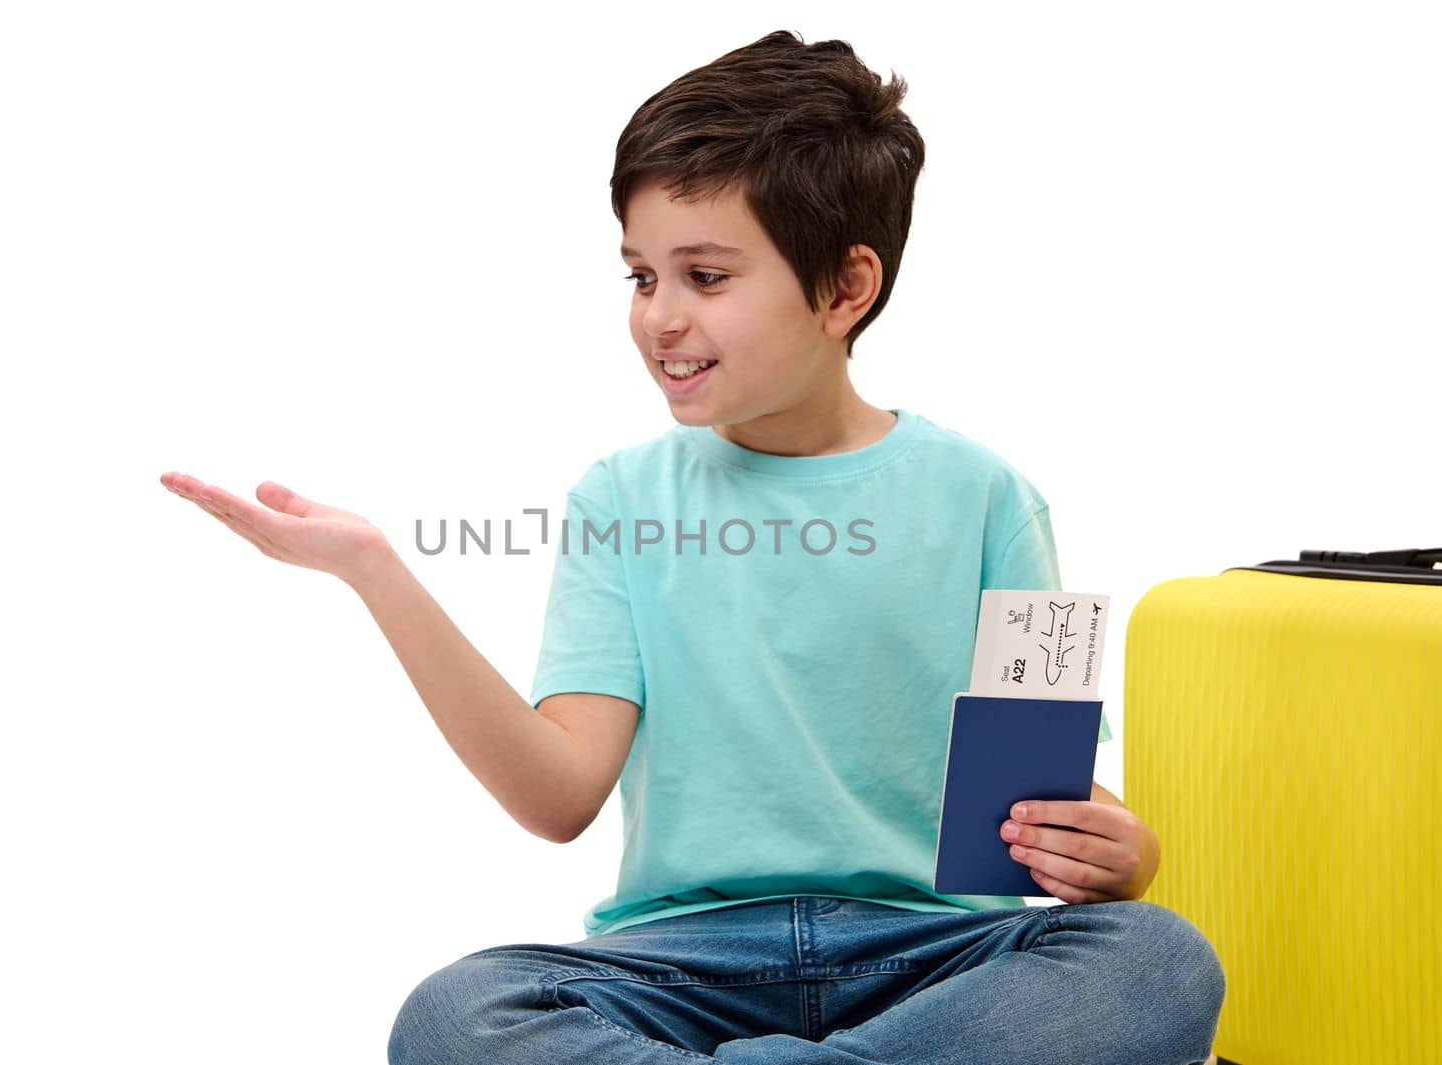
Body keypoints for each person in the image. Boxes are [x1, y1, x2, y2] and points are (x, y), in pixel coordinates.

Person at [162, 28, 1224, 1065]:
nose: (658, 318)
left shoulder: (993, 500)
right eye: (639, 276)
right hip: (684, 967)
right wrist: (376, 575)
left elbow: (1034, 808)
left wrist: (1121, 855)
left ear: (845, 289)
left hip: (931, 952)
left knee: (1159, 959)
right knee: (455, 1015)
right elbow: (557, 796)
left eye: (705, 277)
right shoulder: (619, 500)